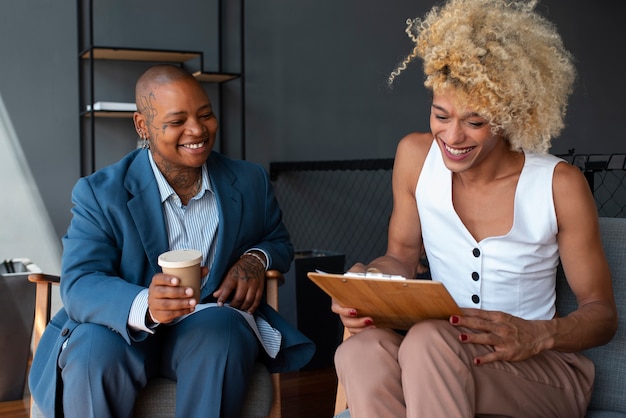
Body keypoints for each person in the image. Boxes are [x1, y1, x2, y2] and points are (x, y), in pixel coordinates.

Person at [332, 0, 618, 417]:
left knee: (429, 342)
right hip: (438, 354)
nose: (452, 135)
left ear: (509, 115)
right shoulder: (415, 157)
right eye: (440, 115)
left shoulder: (558, 185)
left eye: (475, 121)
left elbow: (602, 315)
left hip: (541, 372)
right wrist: (370, 284)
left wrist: (538, 335)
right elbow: (401, 256)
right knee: (364, 350)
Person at [29, 64, 314, 418]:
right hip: (122, 329)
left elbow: (277, 240)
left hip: (204, 327)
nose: (197, 130)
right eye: (177, 121)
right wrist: (146, 304)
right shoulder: (100, 193)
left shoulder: (249, 180)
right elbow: (81, 281)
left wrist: (255, 259)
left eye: (205, 115)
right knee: (92, 348)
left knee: (224, 330)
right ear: (142, 126)